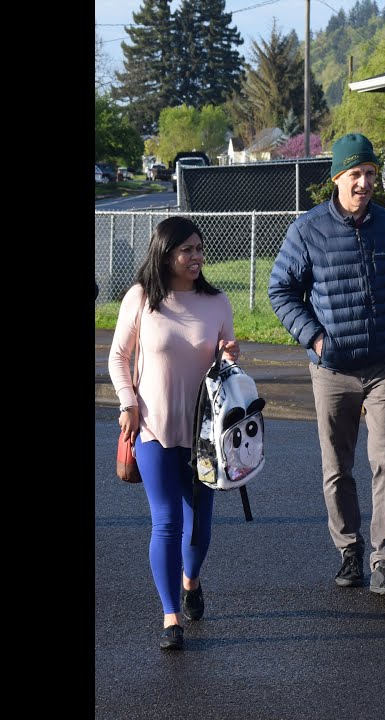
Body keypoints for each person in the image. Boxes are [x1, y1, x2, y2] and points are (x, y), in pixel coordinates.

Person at [268, 133, 385, 596]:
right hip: (333, 367)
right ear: (337, 177)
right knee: (337, 466)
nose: (364, 183)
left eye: (371, 174)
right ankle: (349, 550)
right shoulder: (307, 229)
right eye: (355, 174)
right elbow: (281, 291)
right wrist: (315, 339)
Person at [108, 216, 240, 651]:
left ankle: (191, 579)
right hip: (152, 426)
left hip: (205, 434)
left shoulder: (217, 302)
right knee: (165, 521)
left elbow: (228, 371)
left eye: (200, 249)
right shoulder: (141, 298)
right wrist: (128, 403)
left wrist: (229, 354)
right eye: (187, 250)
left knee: (199, 526)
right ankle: (170, 617)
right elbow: (118, 357)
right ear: (165, 254)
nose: (197, 257)